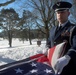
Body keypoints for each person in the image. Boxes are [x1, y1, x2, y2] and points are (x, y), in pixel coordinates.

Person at [47, 1, 76, 75]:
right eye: (58, 13)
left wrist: (67, 57)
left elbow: (75, 45)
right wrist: (46, 50)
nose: (60, 15)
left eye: (62, 12)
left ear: (68, 13)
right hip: (53, 65)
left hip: (68, 67)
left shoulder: (73, 28)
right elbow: (49, 42)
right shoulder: (52, 29)